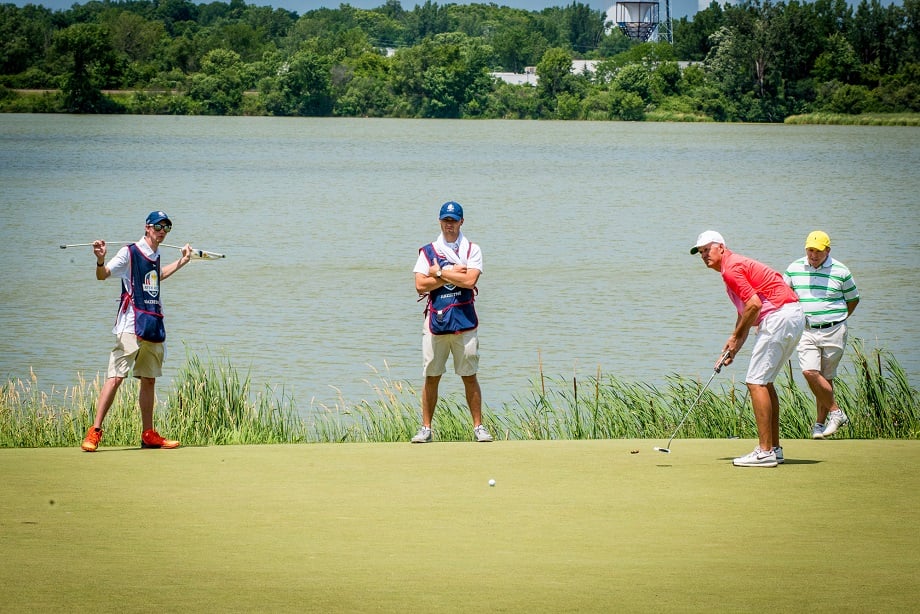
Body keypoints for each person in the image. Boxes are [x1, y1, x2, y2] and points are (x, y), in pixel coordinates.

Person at [690, 230, 805, 468]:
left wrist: (735, 337)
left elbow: (754, 305)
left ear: (721, 247)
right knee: (766, 381)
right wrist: (734, 347)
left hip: (779, 317)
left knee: (756, 382)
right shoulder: (733, 267)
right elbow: (746, 312)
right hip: (791, 316)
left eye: (707, 249)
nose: (704, 255)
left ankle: (764, 453)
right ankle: (774, 448)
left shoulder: (731, 268)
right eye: (700, 252)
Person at [80, 211, 193, 452]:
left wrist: (183, 261)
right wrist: (100, 259)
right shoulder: (129, 252)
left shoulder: (157, 254)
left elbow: (156, 277)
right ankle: (95, 431)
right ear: (147, 227)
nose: (163, 231)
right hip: (130, 324)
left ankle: (148, 434)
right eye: (159, 226)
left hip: (152, 323)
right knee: (116, 377)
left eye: (167, 227)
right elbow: (103, 276)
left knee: (149, 379)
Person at [410, 201, 493, 444]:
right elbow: (420, 285)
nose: (449, 224)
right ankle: (426, 428)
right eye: (445, 220)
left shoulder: (472, 250)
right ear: (440, 221)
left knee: (469, 375)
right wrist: (453, 272)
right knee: (431, 375)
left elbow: (470, 281)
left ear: (461, 222)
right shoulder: (428, 251)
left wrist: (438, 272)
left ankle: (478, 428)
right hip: (435, 322)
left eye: (453, 220)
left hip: (465, 321)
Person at [784, 231, 859, 440]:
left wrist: (838, 319)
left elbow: (853, 299)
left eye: (818, 251)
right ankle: (837, 413)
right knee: (810, 372)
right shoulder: (794, 268)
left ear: (828, 251)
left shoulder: (841, 271)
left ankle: (819, 425)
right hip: (806, 329)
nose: (813, 255)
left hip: (834, 330)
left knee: (825, 378)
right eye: (810, 250)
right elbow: (782, 293)